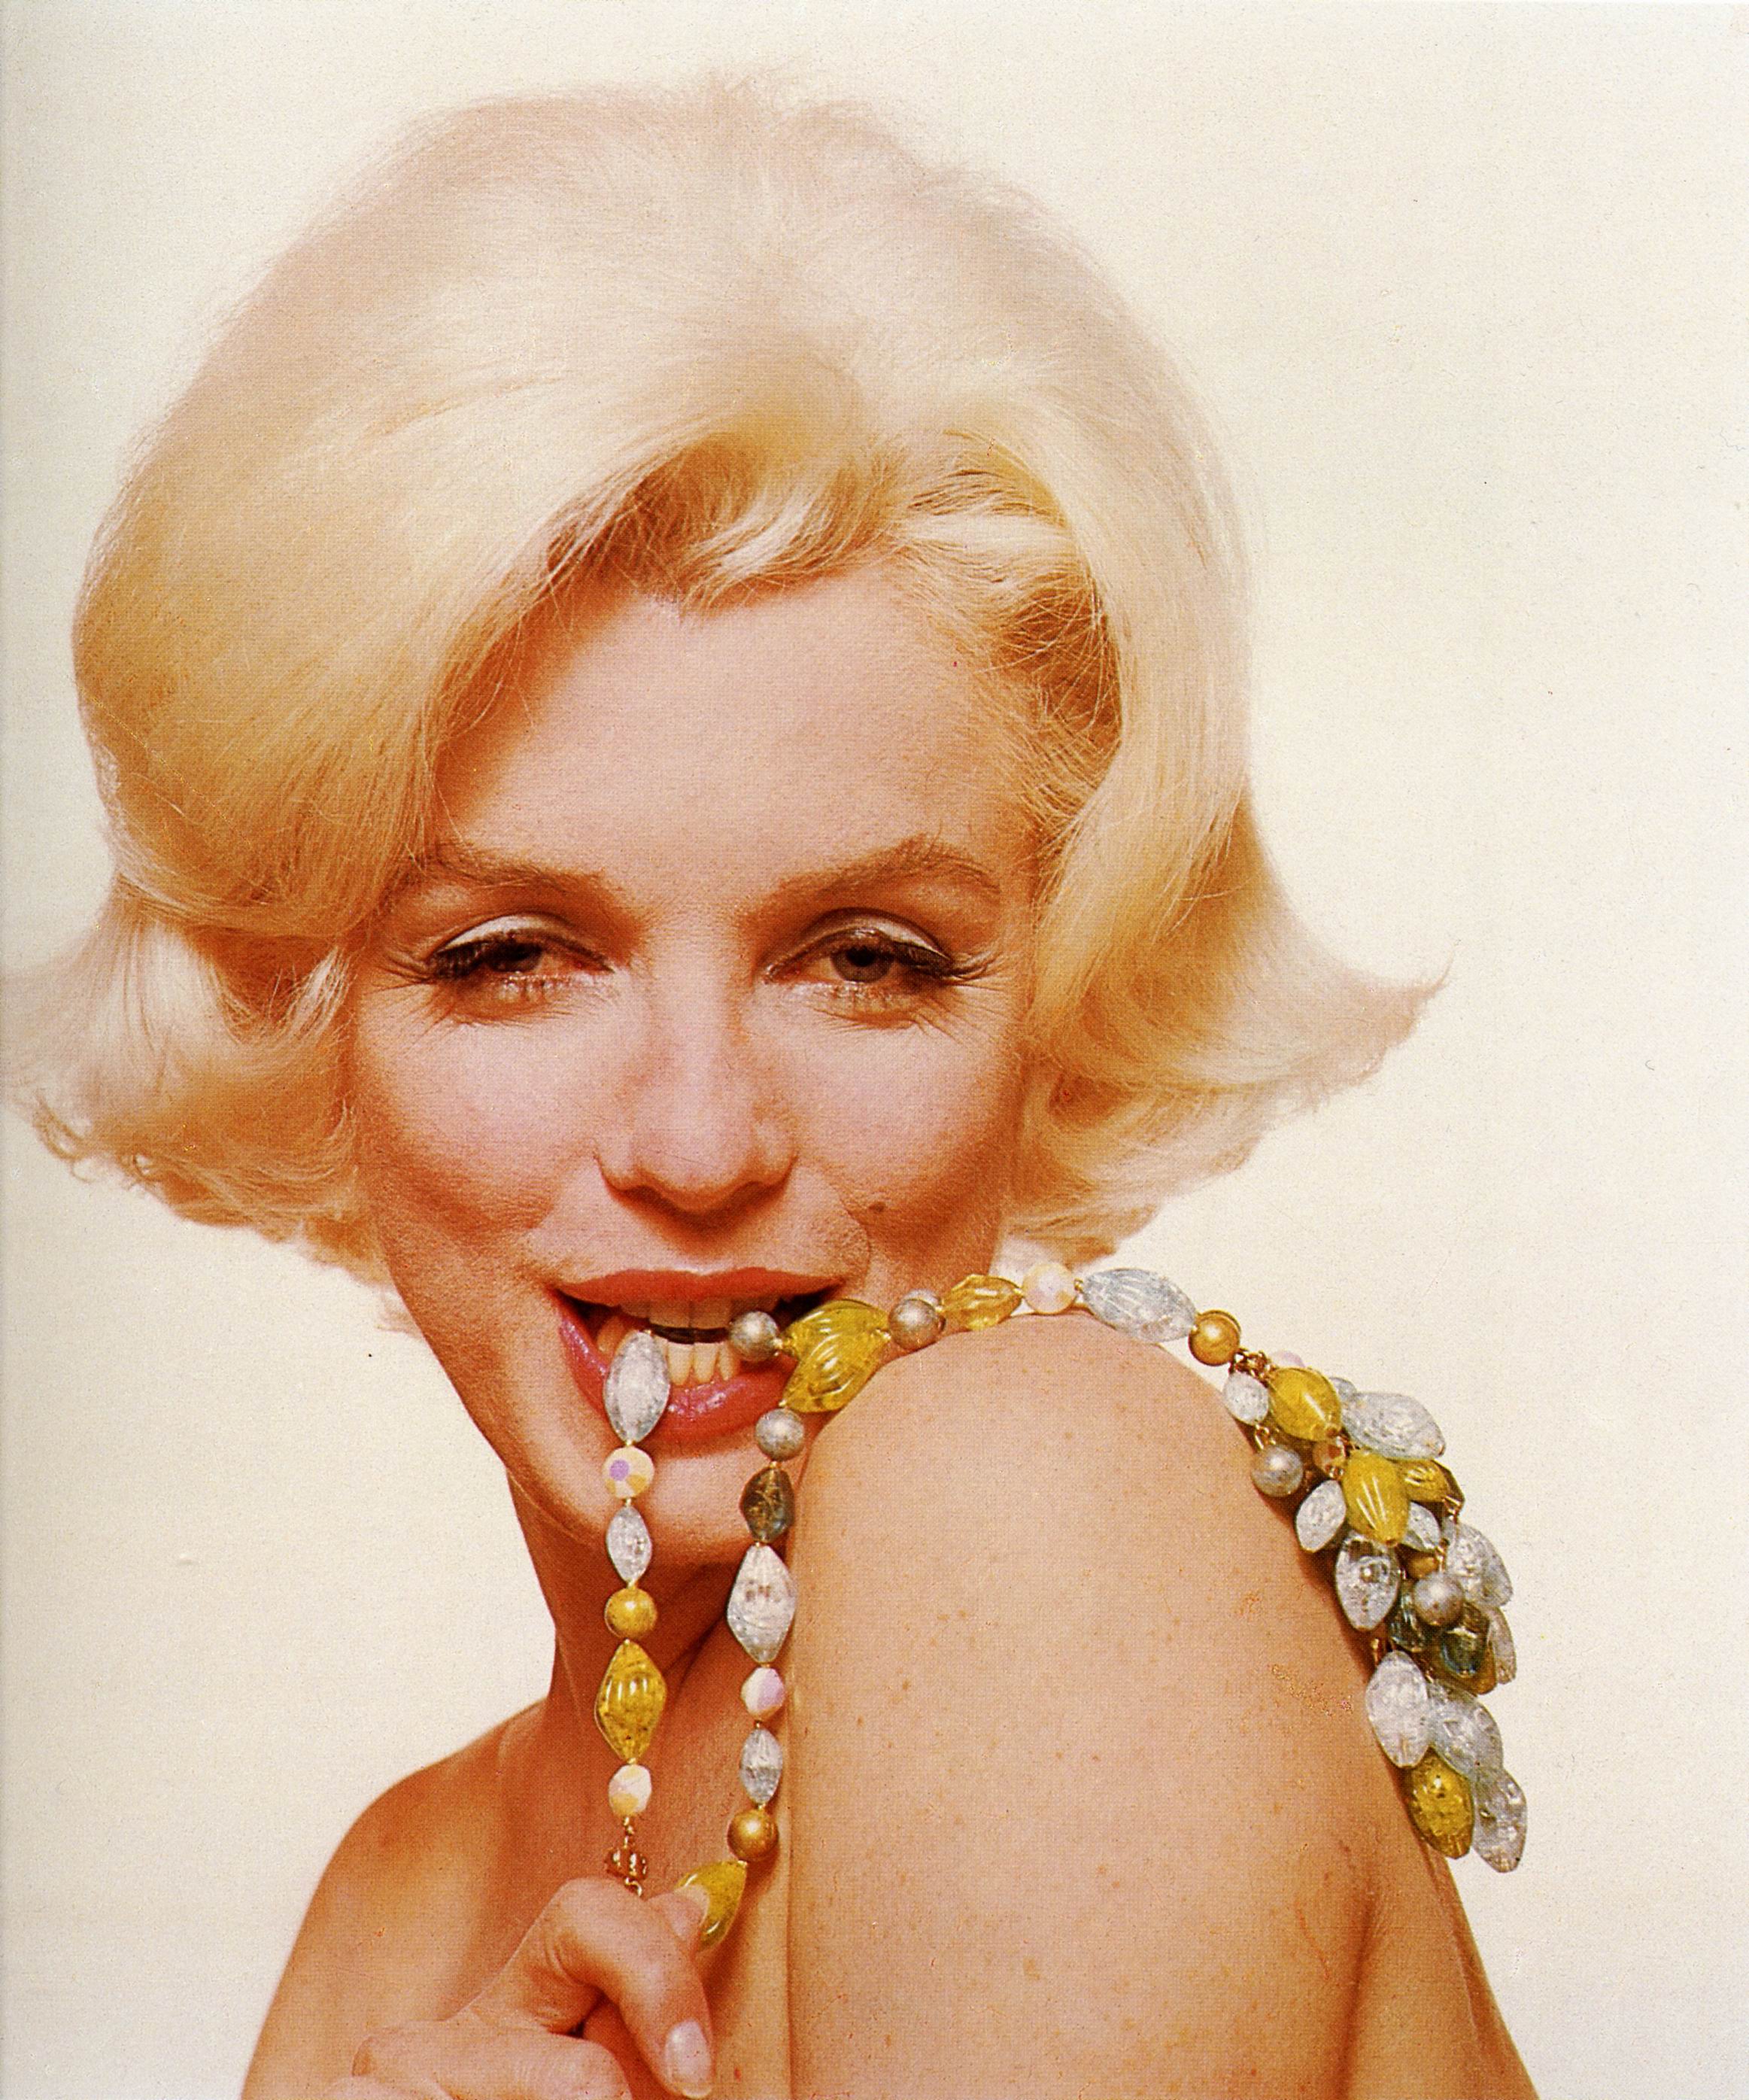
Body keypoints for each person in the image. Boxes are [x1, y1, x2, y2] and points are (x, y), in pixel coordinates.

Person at [14, 79, 1535, 2099]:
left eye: (866, 959)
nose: (700, 1142)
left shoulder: (1037, 1506)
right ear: (311, 1015)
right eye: (510, 957)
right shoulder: (393, 1906)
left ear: (1058, 998)